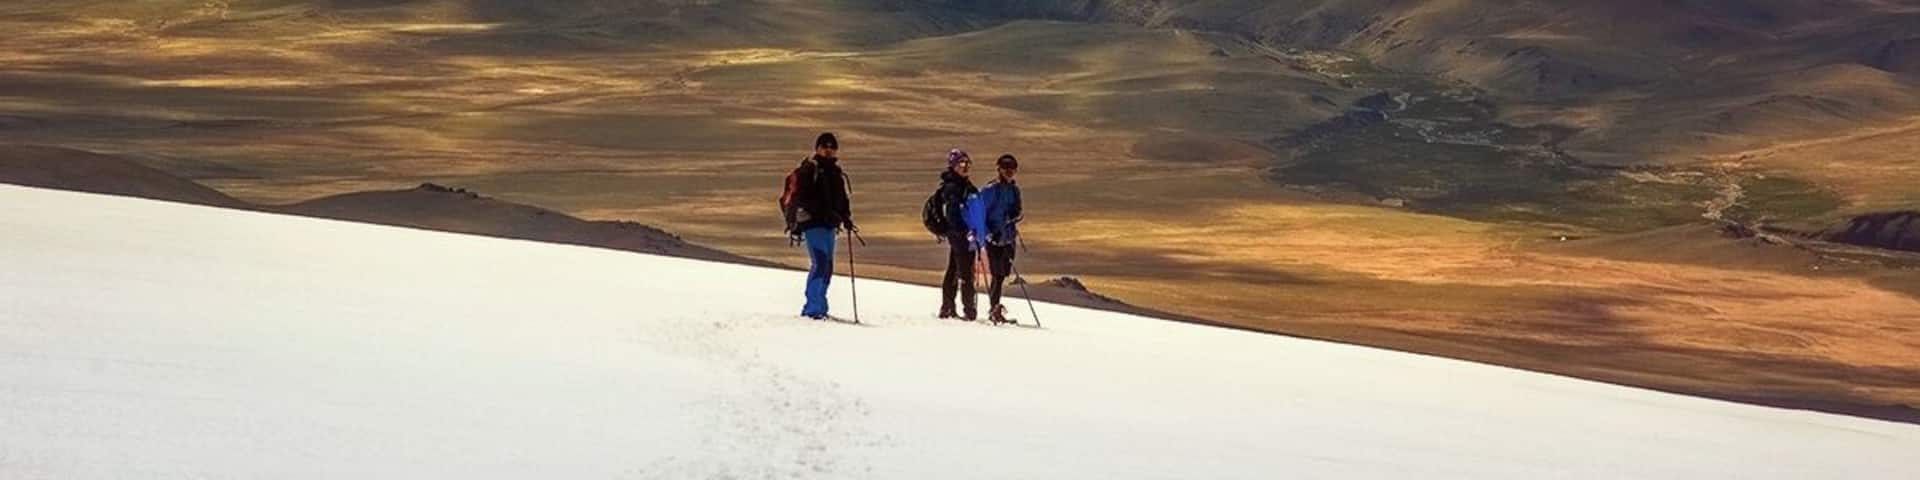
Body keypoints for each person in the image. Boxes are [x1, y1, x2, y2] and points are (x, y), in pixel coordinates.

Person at [782, 132, 855, 319]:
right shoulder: (810, 170)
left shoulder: (835, 173)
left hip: (829, 225)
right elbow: (804, 199)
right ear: (817, 148)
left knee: (827, 266)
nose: (828, 150)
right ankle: (813, 309)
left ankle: (819, 306)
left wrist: (846, 217)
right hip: (813, 224)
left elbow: (841, 199)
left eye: (832, 147)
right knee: (820, 264)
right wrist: (825, 212)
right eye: (825, 146)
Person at [975, 154, 1023, 324]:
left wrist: (1015, 216)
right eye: (1006, 168)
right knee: (997, 274)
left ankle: (995, 308)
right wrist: (988, 233)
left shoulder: (1014, 190)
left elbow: (1018, 211)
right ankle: (994, 309)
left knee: (1002, 274)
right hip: (994, 238)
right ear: (999, 169)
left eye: (1012, 169)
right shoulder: (990, 190)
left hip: (1007, 237)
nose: (1009, 172)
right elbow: (979, 214)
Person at [934, 149, 980, 320]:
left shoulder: (963, 186)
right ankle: (968, 310)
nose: (965, 166)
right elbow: (953, 215)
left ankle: (948, 307)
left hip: (960, 235)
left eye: (967, 163)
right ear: (953, 166)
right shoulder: (953, 188)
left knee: (954, 269)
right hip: (960, 235)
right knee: (966, 272)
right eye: (961, 163)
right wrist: (966, 231)